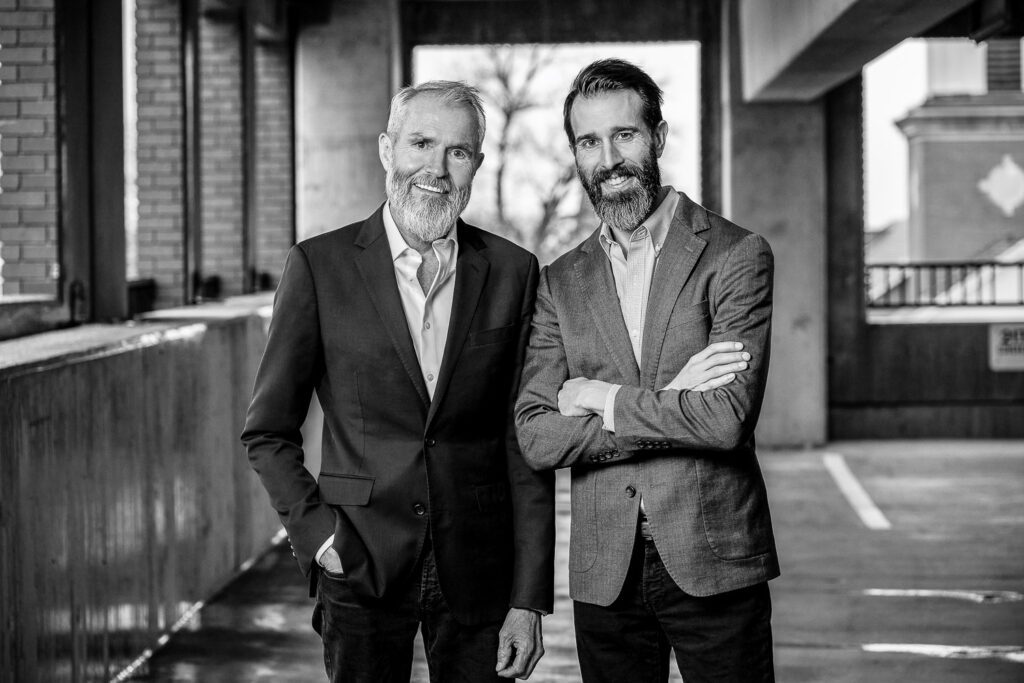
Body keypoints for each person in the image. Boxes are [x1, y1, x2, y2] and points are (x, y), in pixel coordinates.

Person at [242, 80, 554, 683]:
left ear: (477, 165)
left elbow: (525, 443)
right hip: (358, 559)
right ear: (387, 150)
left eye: (457, 152)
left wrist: (528, 596)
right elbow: (268, 431)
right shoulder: (319, 267)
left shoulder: (514, 272)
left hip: (480, 570)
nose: (436, 169)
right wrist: (320, 539)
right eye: (420, 143)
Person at [514, 59, 779, 682]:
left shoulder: (736, 255)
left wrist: (601, 398)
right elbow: (536, 433)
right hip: (606, 573)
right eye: (588, 142)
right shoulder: (559, 282)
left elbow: (725, 422)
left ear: (657, 137)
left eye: (624, 135)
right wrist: (670, 399)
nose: (608, 158)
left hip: (715, 559)